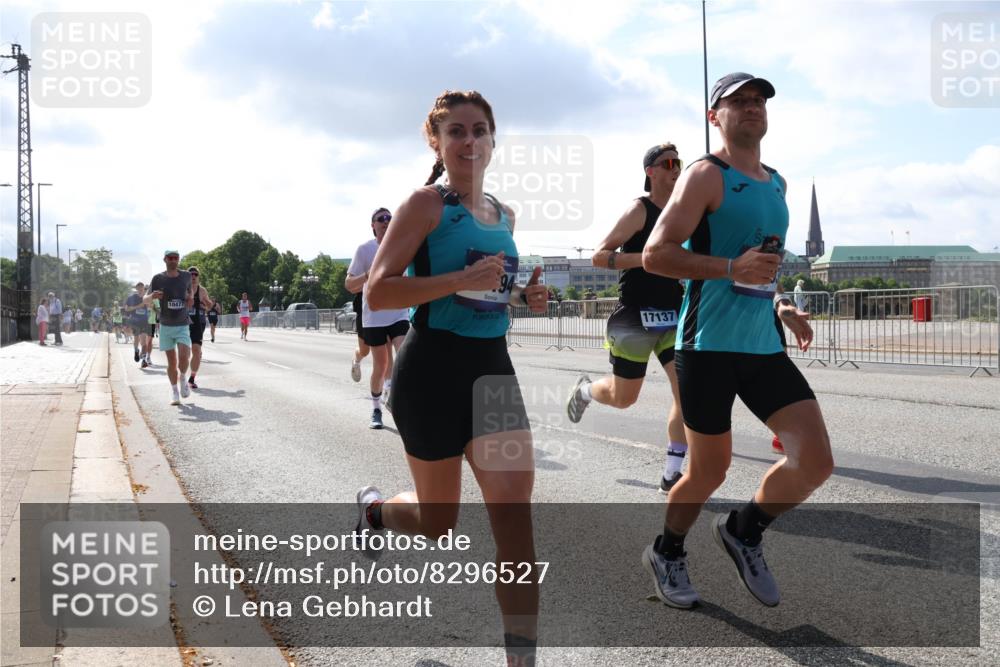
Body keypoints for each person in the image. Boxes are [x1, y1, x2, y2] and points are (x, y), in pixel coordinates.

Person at [360, 90, 549, 666]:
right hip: (431, 373)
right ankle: (375, 511)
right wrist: (457, 278)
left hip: (492, 374)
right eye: (458, 131)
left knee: (515, 521)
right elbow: (378, 291)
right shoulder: (425, 205)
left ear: (493, 140)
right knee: (438, 522)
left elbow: (490, 289)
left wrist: (524, 294)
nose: (470, 141)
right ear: (437, 142)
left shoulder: (504, 213)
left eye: (480, 130)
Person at [641, 72, 833, 609]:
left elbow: (762, 262)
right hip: (707, 346)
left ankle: (744, 530)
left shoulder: (778, 183)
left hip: (763, 344)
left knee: (815, 461)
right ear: (714, 117)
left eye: (758, 101)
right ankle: (667, 550)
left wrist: (781, 304)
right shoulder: (705, 175)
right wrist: (729, 267)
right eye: (738, 102)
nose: (752, 108)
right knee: (708, 469)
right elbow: (657, 254)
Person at [567, 143, 689, 493]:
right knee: (624, 398)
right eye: (668, 163)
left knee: (686, 391)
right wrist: (648, 259)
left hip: (672, 315)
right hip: (634, 316)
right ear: (651, 172)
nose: (675, 168)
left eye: (678, 162)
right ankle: (586, 391)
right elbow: (599, 256)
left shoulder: (682, 213)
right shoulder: (639, 210)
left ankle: (671, 473)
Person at [346, 208, 411, 429]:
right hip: (374, 315)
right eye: (380, 219)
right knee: (380, 365)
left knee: (404, 354)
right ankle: (375, 408)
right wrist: (368, 275)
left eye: (389, 219)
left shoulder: (402, 246)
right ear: (372, 225)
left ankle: (395, 397)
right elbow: (349, 285)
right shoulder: (365, 250)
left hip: (398, 312)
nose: (386, 221)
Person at [145, 250, 194, 405]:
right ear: (165, 260)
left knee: (184, 357)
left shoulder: (186, 276)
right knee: (172, 362)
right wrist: (152, 296)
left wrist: (190, 297)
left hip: (182, 323)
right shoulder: (158, 279)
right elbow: (145, 299)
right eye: (170, 258)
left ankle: (183, 378)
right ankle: (174, 391)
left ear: (178, 260)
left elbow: (190, 290)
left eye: (176, 258)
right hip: (166, 325)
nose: (173, 260)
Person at [185, 266, 214, 389]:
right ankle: (182, 375)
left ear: (198, 276)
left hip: (198, 322)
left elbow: (209, 306)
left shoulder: (202, 291)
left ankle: (192, 378)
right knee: (185, 353)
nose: (193, 276)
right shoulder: (183, 289)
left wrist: (207, 303)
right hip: (184, 323)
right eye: (191, 274)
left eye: (195, 274)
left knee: (195, 350)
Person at [125, 282, 149, 364]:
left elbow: (153, 307)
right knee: (136, 338)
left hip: (145, 321)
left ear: (144, 289)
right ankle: (136, 351)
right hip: (135, 321)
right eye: (139, 288)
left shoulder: (147, 298)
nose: (140, 290)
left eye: (142, 288)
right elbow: (126, 309)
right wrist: (138, 306)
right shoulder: (131, 298)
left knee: (143, 340)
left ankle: (143, 359)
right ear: (136, 289)